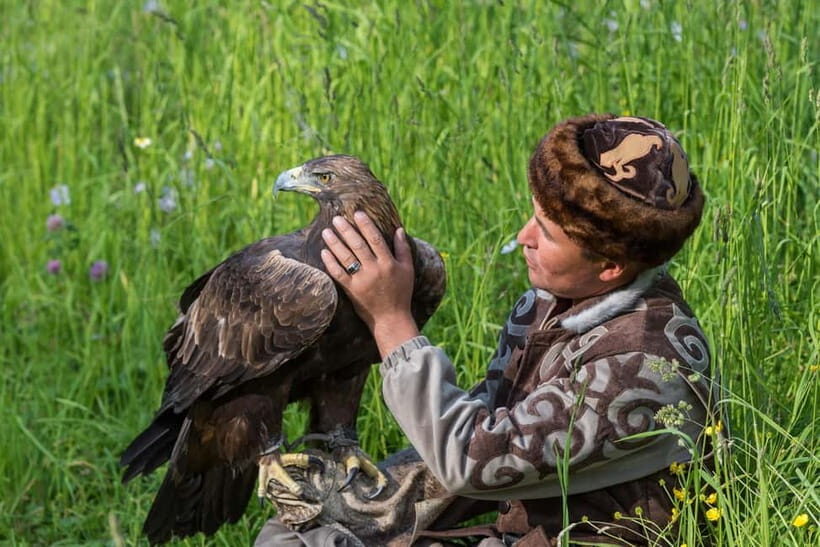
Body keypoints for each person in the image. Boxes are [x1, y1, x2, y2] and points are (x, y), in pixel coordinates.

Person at [256, 114, 719, 546]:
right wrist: (357, 504)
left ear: (611, 265)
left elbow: (473, 462)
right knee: (301, 524)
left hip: (582, 532)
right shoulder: (551, 301)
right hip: (515, 503)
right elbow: (496, 421)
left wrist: (389, 318)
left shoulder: (643, 364)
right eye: (533, 215)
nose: (523, 236)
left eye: (548, 233)